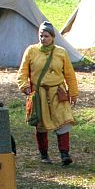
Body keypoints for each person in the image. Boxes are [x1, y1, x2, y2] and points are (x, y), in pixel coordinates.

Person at [18, 21, 79, 165]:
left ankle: (64, 154)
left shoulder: (61, 52)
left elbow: (69, 74)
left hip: (58, 92)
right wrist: (25, 87)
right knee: (41, 124)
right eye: (41, 35)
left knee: (63, 121)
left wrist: (73, 93)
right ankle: (44, 154)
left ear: (52, 37)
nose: (43, 38)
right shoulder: (31, 51)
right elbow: (22, 72)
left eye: (46, 36)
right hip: (39, 93)